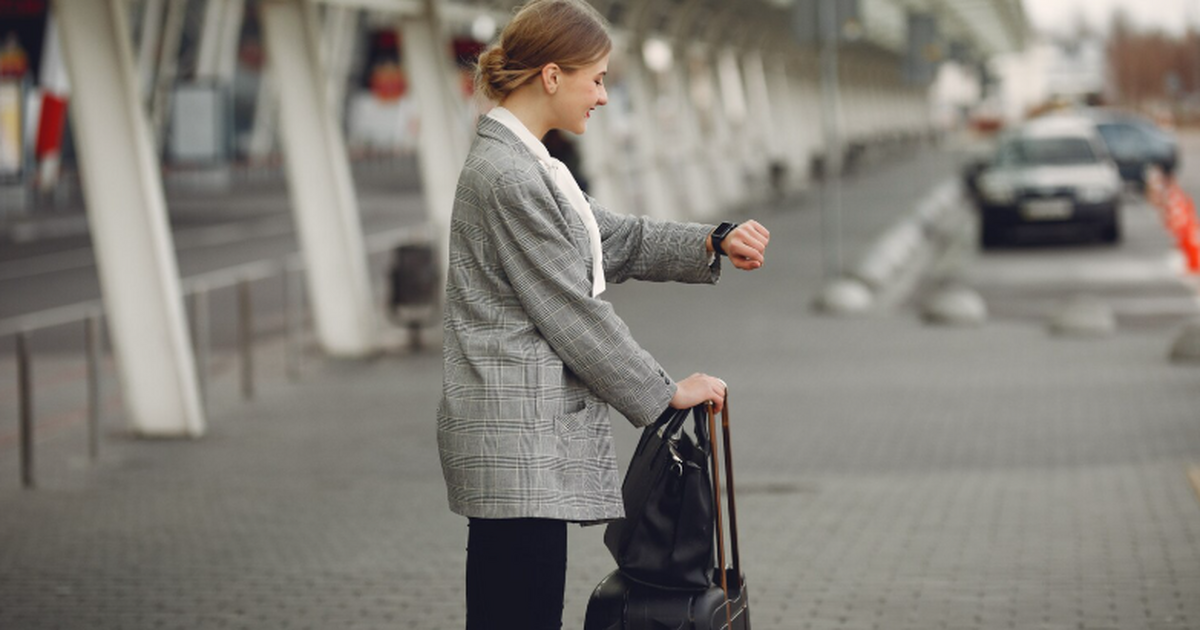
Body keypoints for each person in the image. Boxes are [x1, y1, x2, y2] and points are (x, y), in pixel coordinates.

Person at [436, 1, 770, 628]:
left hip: (524, 446)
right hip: (518, 443)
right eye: (598, 79)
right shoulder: (510, 175)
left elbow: (609, 237)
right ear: (553, 76)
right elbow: (570, 311)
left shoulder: (529, 162)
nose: (604, 96)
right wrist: (665, 392)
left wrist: (711, 239)